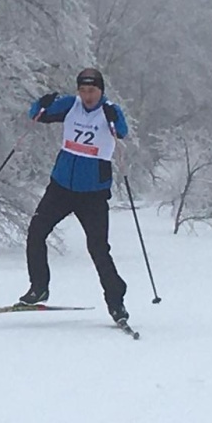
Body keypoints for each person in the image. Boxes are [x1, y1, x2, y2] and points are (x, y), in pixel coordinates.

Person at [19, 67, 131, 325]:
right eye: (83, 90)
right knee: (36, 231)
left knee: (98, 249)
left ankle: (116, 302)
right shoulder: (71, 105)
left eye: (92, 91)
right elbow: (36, 115)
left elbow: (122, 131)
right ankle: (39, 287)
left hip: (92, 193)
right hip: (61, 187)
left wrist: (115, 117)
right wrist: (42, 103)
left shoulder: (108, 110)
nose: (87, 95)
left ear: (101, 90)